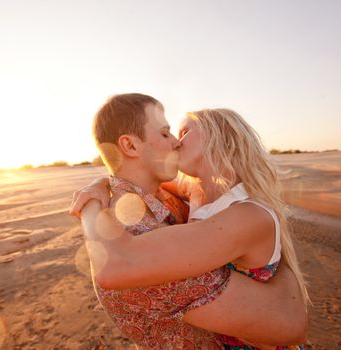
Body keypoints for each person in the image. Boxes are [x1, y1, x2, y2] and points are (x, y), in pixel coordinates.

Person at [72, 93, 307, 349]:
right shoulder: (189, 200)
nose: (175, 142)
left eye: (182, 133)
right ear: (130, 146)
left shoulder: (240, 212)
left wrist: (96, 194)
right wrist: (97, 191)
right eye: (167, 133)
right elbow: (288, 326)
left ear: (220, 139)